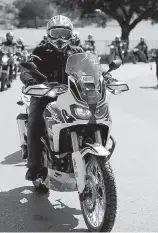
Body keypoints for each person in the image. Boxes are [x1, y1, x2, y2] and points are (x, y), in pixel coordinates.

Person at [20, 15, 116, 181]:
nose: (60, 38)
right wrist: (30, 80)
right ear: (49, 34)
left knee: (94, 116)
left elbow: (92, 70)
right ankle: (34, 166)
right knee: (35, 123)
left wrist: (105, 79)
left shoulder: (77, 51)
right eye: (55, 33)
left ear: (70, 34)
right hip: (46, 95)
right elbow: (28, 68)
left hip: (74, 96)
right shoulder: (41, 51)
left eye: (64, 33)